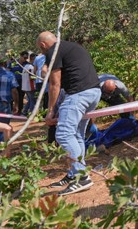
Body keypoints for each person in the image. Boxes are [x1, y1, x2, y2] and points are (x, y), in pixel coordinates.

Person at [36, 31, 102, 196]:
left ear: (43, 45)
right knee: (77, 134)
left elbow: (55, 83)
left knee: (64, 134)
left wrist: (51, 110)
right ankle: (75, 174)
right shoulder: (71, 46)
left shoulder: (54, 50)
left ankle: (82, 177)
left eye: (41, 49)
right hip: (93, 92)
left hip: (78, 95)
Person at [0, 59, 19, 142]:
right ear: (5, 63)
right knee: (4, 127)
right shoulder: (9, 75)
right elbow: (14, 91)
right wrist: (16, 104)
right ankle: (2, 150)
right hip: (4, 104)